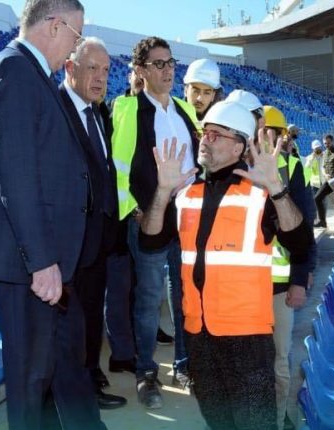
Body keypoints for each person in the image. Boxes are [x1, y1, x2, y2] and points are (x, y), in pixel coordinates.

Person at [0, 1, 105, 429]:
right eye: (76, 35)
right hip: (27, 262)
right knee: (31, 379)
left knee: (53, 368)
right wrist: (41, 260)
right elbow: (15, 173)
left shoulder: (30, 73)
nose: (75, 47)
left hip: (43, 258)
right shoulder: (13, 71)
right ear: (55, 25)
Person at [140, 101, 312, 430]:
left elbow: (301, 244)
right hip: (198, 335)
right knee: (217, 421)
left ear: (238, 147)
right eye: (204, 133)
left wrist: (276, 188)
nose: (205, 140)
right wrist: (162, 191)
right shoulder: (186, 194)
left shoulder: (261, 194)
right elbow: (149, 241)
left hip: (247, 338)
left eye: (216, 135)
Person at [111, 35, 201, 407]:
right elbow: (117, 168)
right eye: (158, 64)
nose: (167, 70)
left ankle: (183, 364)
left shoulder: (185, 109)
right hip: (149, 218)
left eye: (170, 63)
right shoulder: (127, 108)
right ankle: (146, 372)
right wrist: (136, 211)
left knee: (184, 297)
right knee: (148, 300)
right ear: (141, 71)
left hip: (186, 221)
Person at [58, 36, 126, 410]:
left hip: (97, 239)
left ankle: (89, 379)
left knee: (90, 313)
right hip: (68, 244)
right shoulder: (55, 108)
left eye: (106, 70)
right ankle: (77, 390)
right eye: (92, 69)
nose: (101, 78)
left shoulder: (97, 112)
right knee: (71, 322)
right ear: (70, 68)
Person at [262, 104, 317, 430]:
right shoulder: (238, 167)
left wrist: (300, 278)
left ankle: (279, 418)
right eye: (258, 131)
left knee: (280, 358)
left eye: (269, 132)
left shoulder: (294, 168)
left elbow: (305, 228)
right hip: (243, 281)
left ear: (281, 137)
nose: (263, 137)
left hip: (280, 284)